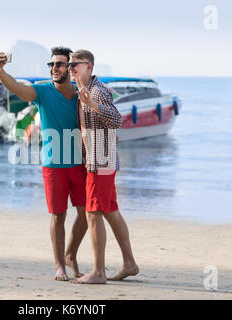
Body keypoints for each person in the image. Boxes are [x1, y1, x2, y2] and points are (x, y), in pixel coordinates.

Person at [0, 47, 88, 281]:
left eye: (60, 64)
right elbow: (17, 88)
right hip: (53, 166)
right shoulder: (43, 92)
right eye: (52, 64)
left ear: (70, 67)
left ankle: (71, 255)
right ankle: (60, 266)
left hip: (79, 164)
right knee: (58, 216)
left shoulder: (79, 92)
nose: (54, 68)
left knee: (87, 215)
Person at [68, 49, 139, 284]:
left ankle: (99, 271)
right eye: (69, 65)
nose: (70, 69)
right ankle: (129, 263)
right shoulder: (84, 91)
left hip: (100, 162)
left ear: (88, 66)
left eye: (74, 65)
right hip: (98, 161)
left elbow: (118, 120)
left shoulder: (98, 92)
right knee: (110, 211)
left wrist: (92, 103)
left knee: (93, 213)